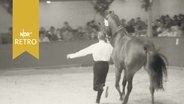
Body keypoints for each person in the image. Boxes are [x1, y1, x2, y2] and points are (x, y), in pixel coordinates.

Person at [67, 31, 113, 104]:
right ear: (104, 38)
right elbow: (113, 52)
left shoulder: (95, 46)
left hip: (97, 65)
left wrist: (72, 56)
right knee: (101, 83)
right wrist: (108, 42)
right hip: (106, 66)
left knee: (95, 87)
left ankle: (103, 89)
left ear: (98, 37)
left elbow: (83, 52)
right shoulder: (109, 46)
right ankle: (97, 100)